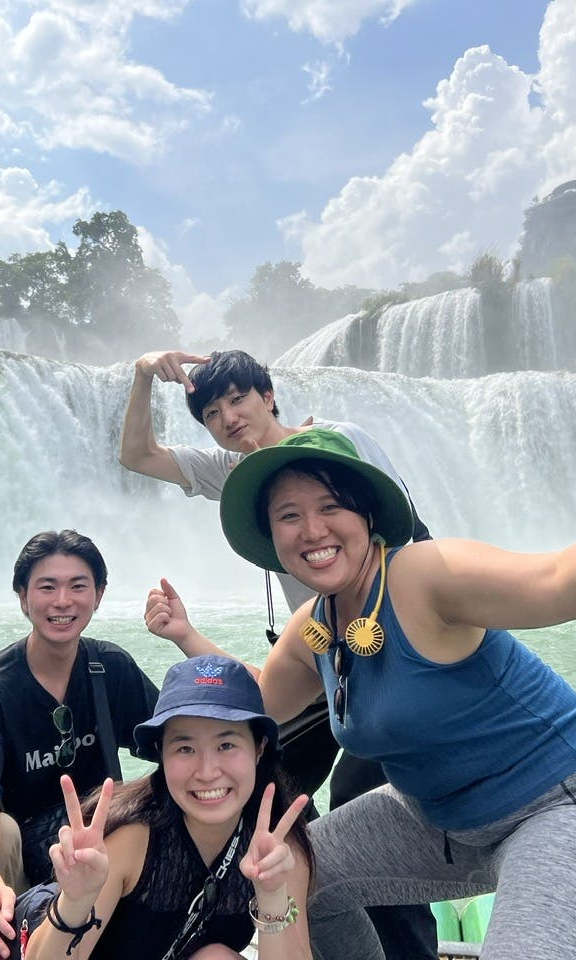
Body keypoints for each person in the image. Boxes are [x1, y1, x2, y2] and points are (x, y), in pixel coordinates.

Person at [146, 429, 576, 960]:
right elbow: (255, 699)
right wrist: (185, 636)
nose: (312, 529)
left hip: (561, 807)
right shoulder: (316, 626)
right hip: (434, 817)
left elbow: (559, 580)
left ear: (367, 516)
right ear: (273, 538)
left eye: (331, 506)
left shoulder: (424, 576)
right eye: (289, 515)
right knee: (294, 875)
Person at [120, 348, 437, 959]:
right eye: (211, 411)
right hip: (325, 659)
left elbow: (409, 535)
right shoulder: (233, 473)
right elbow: (137, 455)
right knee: (268, 774)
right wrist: (141, 374)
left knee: (360, 795)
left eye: (238, 398)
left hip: (386, 648)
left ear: (268, 395)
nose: (228, 417)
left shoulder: (337, 443)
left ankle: (403, 947)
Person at [0, 530, 159, 960]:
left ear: (98, 595)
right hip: (18, 854)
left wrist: (183, 638)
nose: (63, 601)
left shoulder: (109, 668)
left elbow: (175, 744)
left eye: (78, 586)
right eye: (47, 587)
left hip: (94, 842)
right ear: (23, 597)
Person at [25, 654, 314, 960]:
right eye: (185, 748)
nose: (206, 771)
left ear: (259, 748)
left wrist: (271, 898)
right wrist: (75, 901)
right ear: (161, 754)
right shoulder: (130, 838)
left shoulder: (278, 849)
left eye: (226, 745)